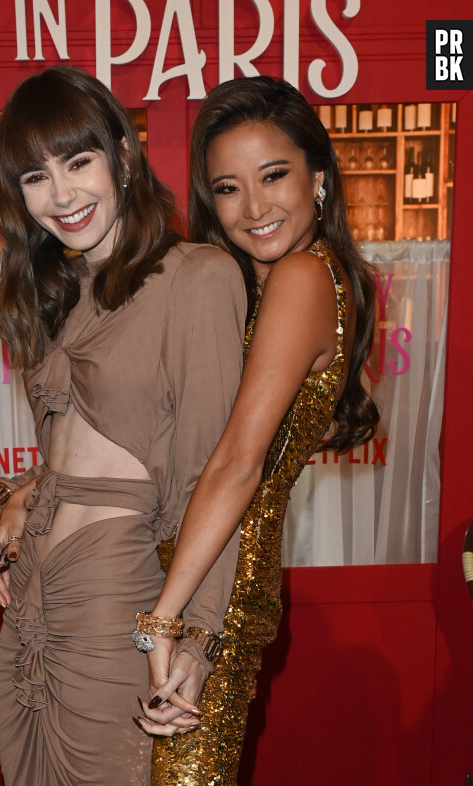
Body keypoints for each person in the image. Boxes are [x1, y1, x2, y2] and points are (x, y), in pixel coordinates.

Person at [0, 65, 247, 786]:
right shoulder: (52, 293)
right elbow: (66, 457)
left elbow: (216, 476)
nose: (61, 195)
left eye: (78, 161)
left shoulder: (198, 278)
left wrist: (194, 639)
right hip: (30, 598)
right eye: (34, 176)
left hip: (114, 600)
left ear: (122, 153)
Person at [135, 76, 380, 785]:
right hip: (205, 580)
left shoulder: (303, 277)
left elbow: (238, 463)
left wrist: (164, 622)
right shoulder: (278, 283)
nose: (254, 207)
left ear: (319, 178)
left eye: (274, 175)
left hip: (211, 593)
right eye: (229, 187)